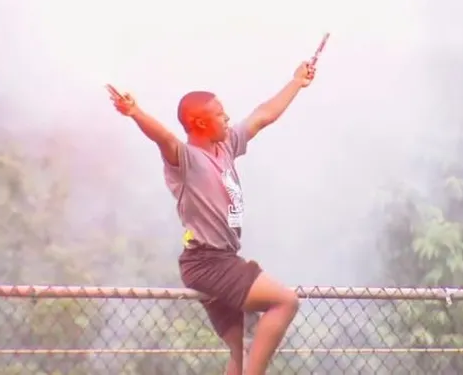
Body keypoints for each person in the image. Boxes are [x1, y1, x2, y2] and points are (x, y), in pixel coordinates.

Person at [107, 60, 316, 375]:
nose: (227, 117)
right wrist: (136, 112)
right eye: (219, 114)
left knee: (242, 351)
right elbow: (163, 137)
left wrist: (296, 81)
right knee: (285, 301)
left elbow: (263, 115)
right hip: (208, 263)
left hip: (223, 259)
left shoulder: (227, 145)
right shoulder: (187, 160)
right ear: (199, 122)